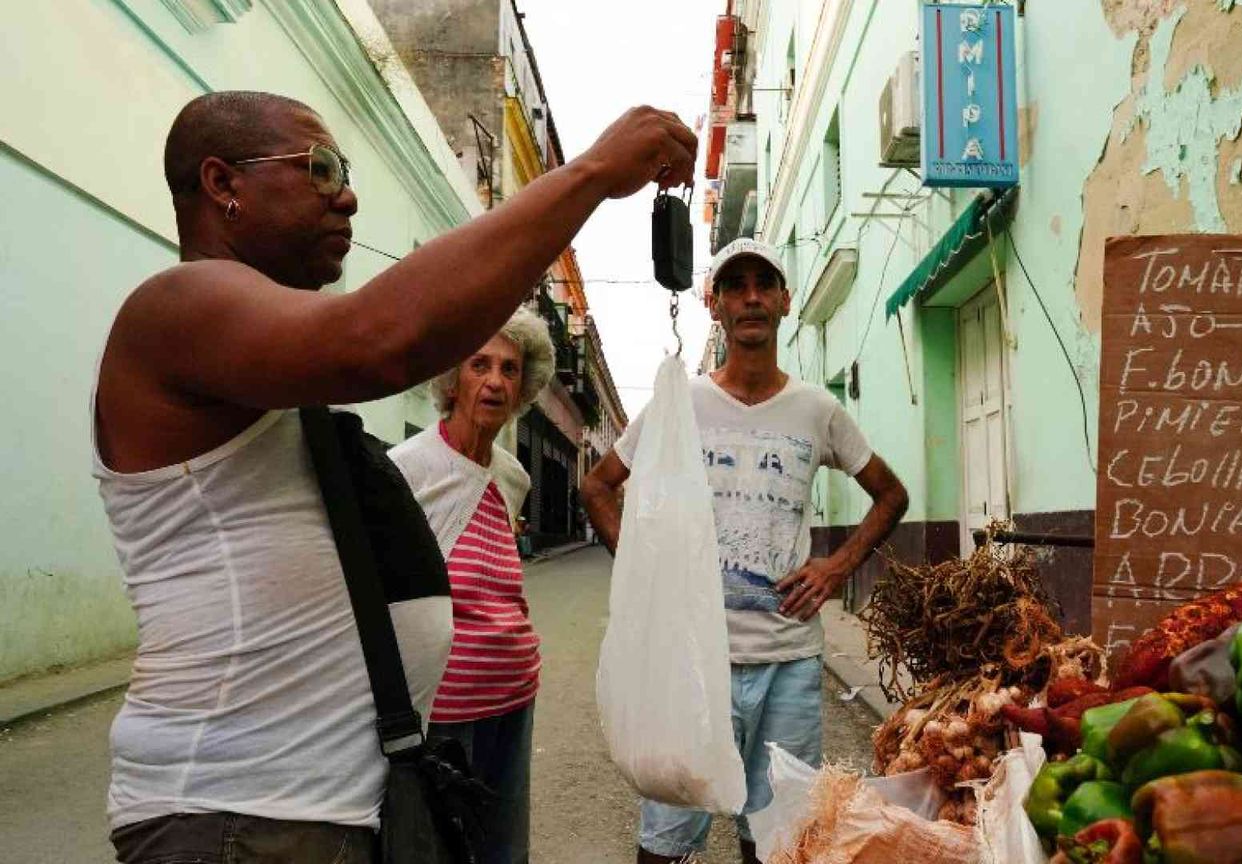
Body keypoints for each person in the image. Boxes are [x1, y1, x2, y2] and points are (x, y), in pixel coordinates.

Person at [92, 89, 694, 863]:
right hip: (234, 817)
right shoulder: (175, 307)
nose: (346, 192)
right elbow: (379, 340)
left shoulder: (260, 355)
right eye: (319, 167)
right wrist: (593, 172)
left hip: (314, 809)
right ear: (222, 183)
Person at [580, 238, 911, 864]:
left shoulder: (817, 410)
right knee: (668, 844)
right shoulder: (683, 405)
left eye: (765, 283)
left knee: (780, 845)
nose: (752, 296)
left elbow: (890, 495)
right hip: (691, 666)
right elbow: (597, 485)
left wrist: (838, 566)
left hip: (789, 663)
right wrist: (645, 573)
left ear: (785, 302)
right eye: (736, 285)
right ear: (716, 305)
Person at [388, 308, 555, 864]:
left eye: (509, 369)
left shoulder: (513, 477)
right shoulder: (409, 469)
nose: (495, 381)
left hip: (514, 694)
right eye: (479, 364)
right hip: (444, 711)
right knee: (438, 849)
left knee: (505, 849)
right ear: (451, 379)